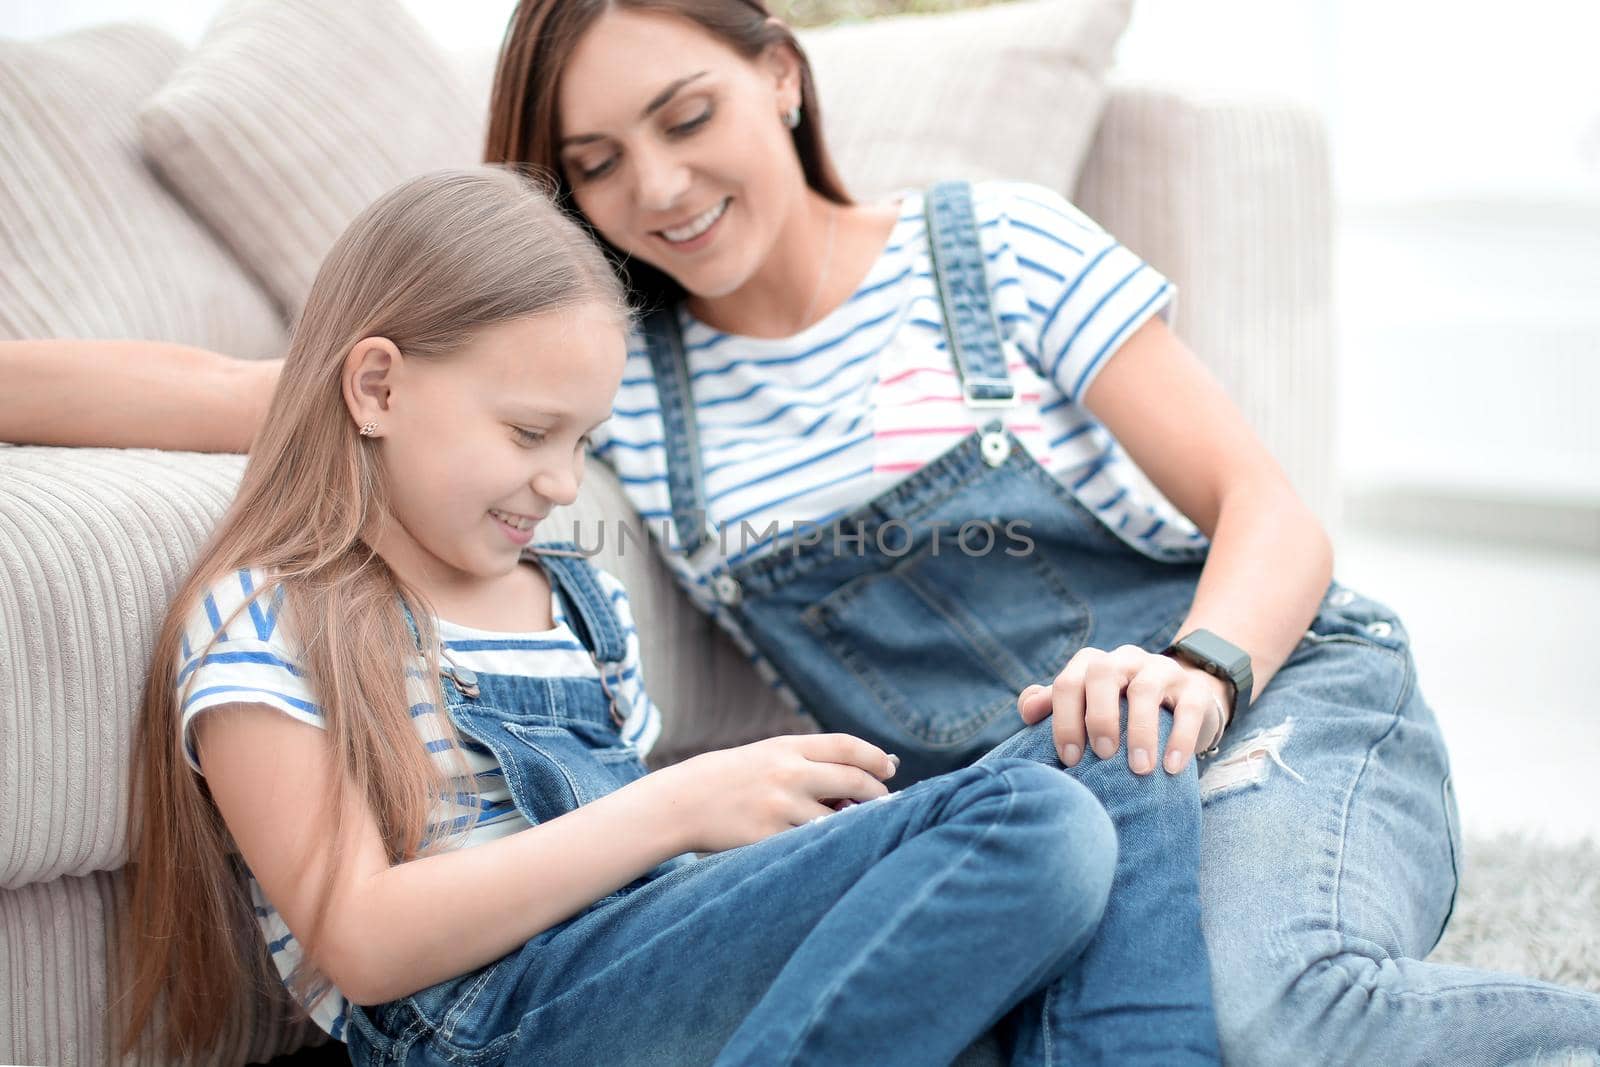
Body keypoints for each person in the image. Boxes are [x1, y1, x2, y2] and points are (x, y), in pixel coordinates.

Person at [5, 3, 1596, 1063]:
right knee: (1058, 888)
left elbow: (1272, 513)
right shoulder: (612, 382)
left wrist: (1195, 663)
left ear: (778, 70)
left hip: (1264, 693)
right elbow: (261, 390)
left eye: (686, 113)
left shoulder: (997, 250)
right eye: (596, 163)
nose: (661, 186)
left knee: (1272, 1014)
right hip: (1042, 774)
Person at [114, 167, 1223, 1066]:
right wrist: (681, 802)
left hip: (648, 956)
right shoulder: (269, 612)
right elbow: (359, 940)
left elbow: (661, 914)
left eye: (581, 441)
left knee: (1120, 742)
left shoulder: (572, 598)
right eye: (527, 431)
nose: (559, 482)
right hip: (491, 1021)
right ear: (377, 388)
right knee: (1034, 827)